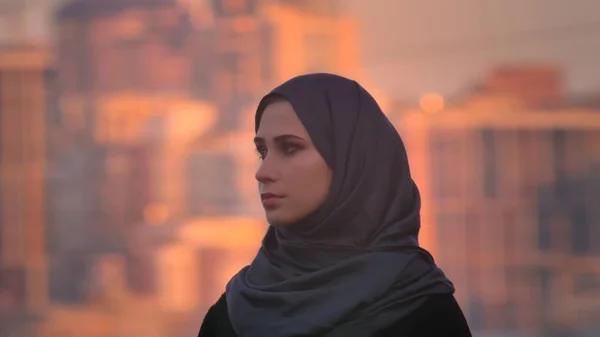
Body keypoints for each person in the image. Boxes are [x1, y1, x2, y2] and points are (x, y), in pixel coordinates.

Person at [198, 73, 472, 337]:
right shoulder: (235, 312)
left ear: (350, 161)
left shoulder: (421, 311)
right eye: (263, 152)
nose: (262, 172)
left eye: (290, 148)